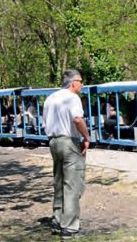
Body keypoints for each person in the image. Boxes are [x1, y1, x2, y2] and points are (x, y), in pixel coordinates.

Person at [43, 69, 90, 239]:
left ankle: (57, 220)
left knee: (59, 180)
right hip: (69, 141)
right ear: (73, 83)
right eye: (81, 81)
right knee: (72, 183)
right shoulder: (73, 98)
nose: (82, 84)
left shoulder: (51, 98)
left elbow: (45, 122)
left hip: (53, 141)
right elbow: (77, 119)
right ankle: (69, 227)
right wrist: (86, 137)